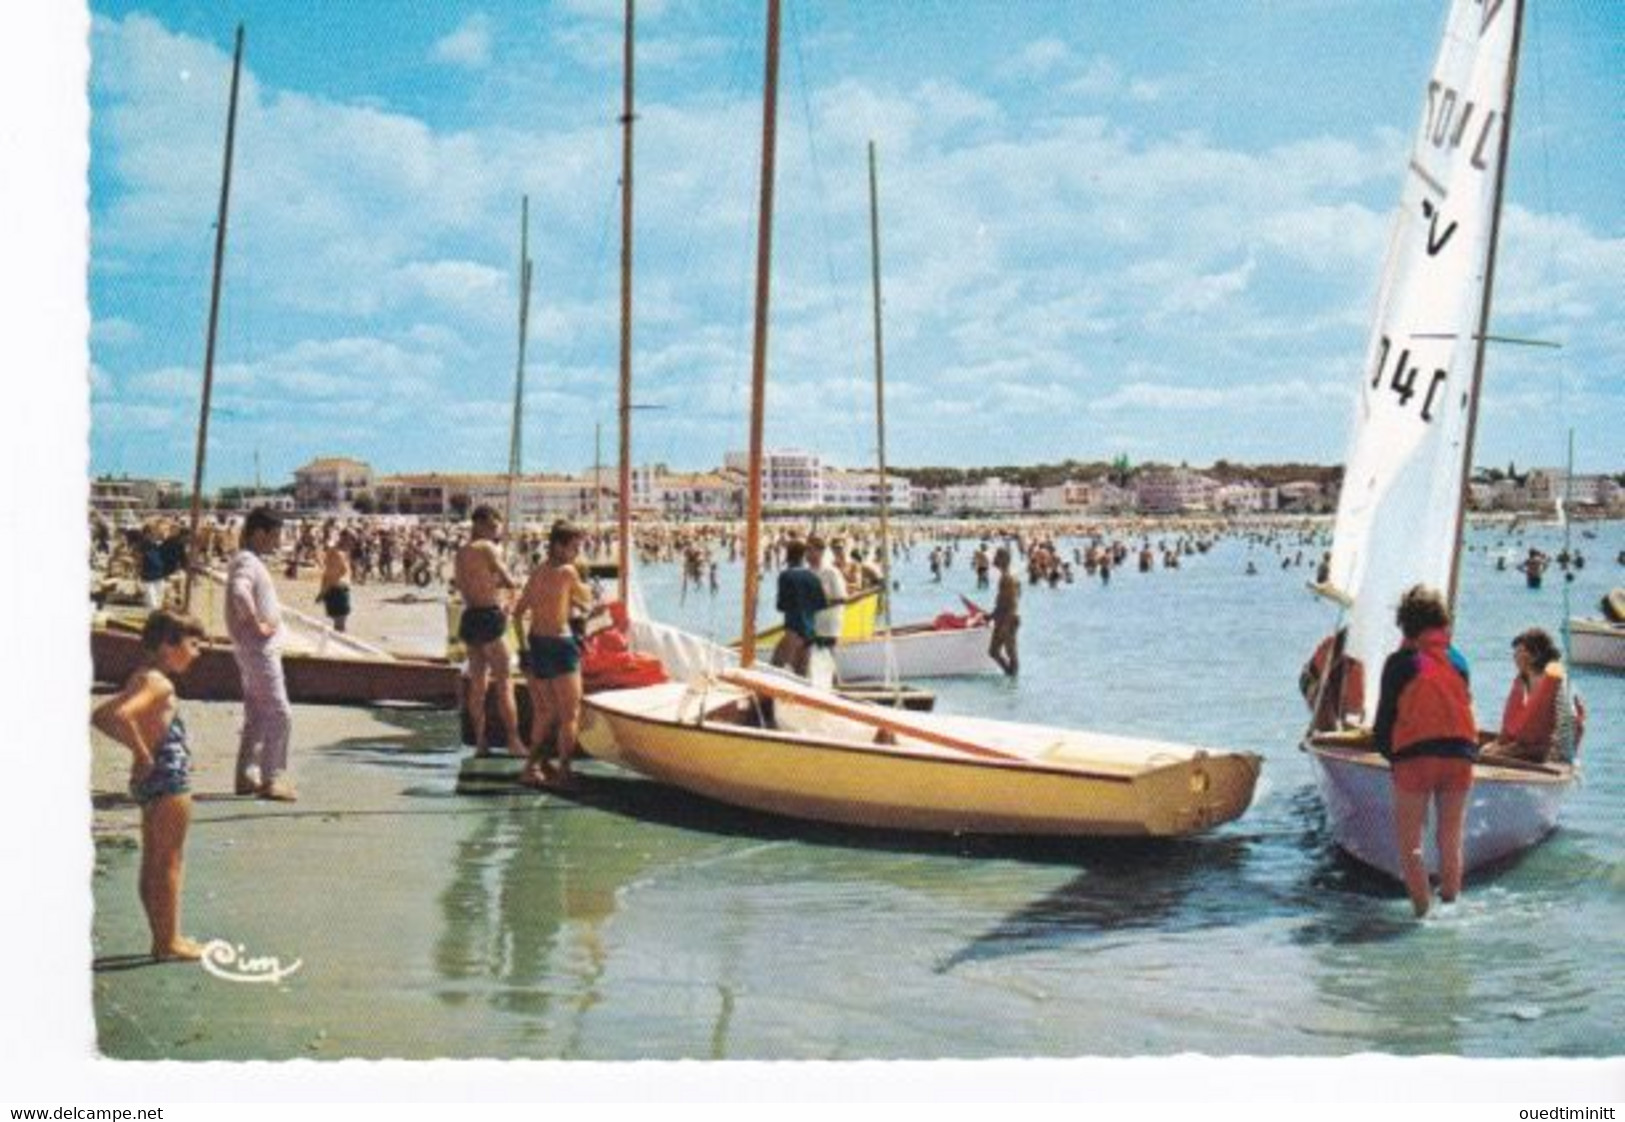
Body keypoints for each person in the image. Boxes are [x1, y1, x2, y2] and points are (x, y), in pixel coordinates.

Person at [91, 609, 209, 961]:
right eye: (193, 644)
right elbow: (120, 716)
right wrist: (144, 752)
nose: (198, 652)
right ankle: (168, 940)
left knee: (153, 861)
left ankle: (161, 937)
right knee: (169, 861)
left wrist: (140, 750)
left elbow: (101, 716)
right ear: (168, 645)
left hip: (151, 779)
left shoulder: (141, 677)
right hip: (169, 779)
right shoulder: (160, 683)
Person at [1371, 585, 1479, 918]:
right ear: (1442, 622)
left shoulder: (1401, 662)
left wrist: (1393, 757)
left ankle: (1422, 915)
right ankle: (1450, 905)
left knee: (1411, 844)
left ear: (1405, 624)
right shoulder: (1459, 660)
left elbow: (1384, 720)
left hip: (1416, 757)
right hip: (1460, 753)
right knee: (1450, 839)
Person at [512, 521, 601, 790]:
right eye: (575, 547)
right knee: (569, 714)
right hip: (560, 645)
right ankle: (564, 771)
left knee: (545, 711)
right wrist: (587, 592)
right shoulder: (568, 572)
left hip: (536, 643)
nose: (577, 553)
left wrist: (523, 650)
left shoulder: (537, 572)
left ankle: (531, 767)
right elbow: (588, 602)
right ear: (559, 546)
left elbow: (517, 614)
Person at [227, 507, 297, 801]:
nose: (278, 541)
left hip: (251, 648)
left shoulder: (249, 560)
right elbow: (239, 590)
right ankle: (271, 778)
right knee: (280, 713)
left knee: (257, 713)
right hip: (258, 648)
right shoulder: (247, 560)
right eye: (275, 534)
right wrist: (256, 622)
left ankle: (247, 776)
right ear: (260, 533)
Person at [453, 505, 523, 759]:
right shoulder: (487, 548)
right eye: (494, 526)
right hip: (488, 616)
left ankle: (481, 741)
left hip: (470, 616)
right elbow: (509, 580)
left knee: (478, 684)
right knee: (505, 682)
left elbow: (461, 584)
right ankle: (514, 741)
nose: (497, 531)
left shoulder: (460, 553)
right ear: (480, 524)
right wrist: (506, 602)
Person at [1481, 628, 1584, 764]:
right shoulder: (1525, 680)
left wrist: (1560, 755)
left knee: (1485, 752)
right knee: (1484, 748)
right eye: (1515, 652)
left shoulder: (1556, 682)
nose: (1515, 656)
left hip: (1543, 751)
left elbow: (1570, 719)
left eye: (1520, 652)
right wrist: (1501, 744)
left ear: (1535, 655)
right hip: (1523, 745)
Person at [770, 538, 825, 678]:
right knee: (802, 671)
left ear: (788, 556)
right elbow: (821, 604)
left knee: (779, 665)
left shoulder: (786, 576)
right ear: (803, 556)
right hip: (810, 629)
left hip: (793, 629)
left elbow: (781, 605)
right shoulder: (813, 577)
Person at [1299, 626, 1366, 732]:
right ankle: (1322, 726)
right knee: (1324, 703)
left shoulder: (1355, 667)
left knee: (1349, 711)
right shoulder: (1327, 653)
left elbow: (1357, 711)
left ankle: (1329, 725)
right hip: (1316, 681)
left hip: (1334, 681)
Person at [808, 535, 848, 677]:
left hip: (829, 623)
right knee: (815, 660)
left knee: (828, 657)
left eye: (811, 550)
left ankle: (835, 689)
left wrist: (821, 603)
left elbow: (842, 598)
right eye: (807, 550)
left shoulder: (831, 572)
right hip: (813, 623)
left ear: (820, 551)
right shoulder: (808, 572)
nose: (808, 554)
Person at [988, 546, 1020, 677]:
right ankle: (1010, 676)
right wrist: (991, 616)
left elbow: (1009, 603)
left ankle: (1013, 679)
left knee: (1010, 653)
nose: (994, 558)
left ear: (1004, 559)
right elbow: (1004, 601)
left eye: (997, 556)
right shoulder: (1005, 577)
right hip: (1002, 618)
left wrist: (1004, 623)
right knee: (993, 651)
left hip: (1008, 619)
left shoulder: (1008, 578)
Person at [317, 531, 354, 633]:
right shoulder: (337, 553)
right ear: (344, 539)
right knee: (340, 626)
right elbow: (331, 575)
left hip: (338, 590)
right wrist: (323, 591)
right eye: (351, 540)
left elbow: (327, 573)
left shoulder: (341, 552)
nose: (352, 543)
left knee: (338, 625)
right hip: (338, 591)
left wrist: (322, 591)